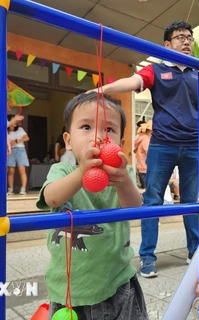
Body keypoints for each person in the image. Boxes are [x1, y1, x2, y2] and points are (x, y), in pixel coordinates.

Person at [92, 20, 199, 278]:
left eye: (189, 37)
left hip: (194, 147)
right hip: (162, 145)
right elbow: (131, 82)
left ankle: (194, 251)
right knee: (152, 201)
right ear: (167, 44)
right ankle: (148, 257)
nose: (186, 41)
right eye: (180, 37)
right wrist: (102, 90)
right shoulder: (156, 70)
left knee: (193, 202)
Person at [36, 92, 147, 320]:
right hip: (73, 292)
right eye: (86, 127)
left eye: (109, 130)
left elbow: (135, 208)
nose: (98, 137)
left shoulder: (121, 175)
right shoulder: (63, 171)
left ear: (121, 143)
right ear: (68, 141)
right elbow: (52, 198)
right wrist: (82, 172)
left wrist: (125, 182)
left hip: (120, 283)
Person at [7, 114, 30, 195]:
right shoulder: (5, 131)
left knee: (22, 170)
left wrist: (17, 141)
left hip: (20, 150)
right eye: (13, 120)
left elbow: (27, 138)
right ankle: (10, 189)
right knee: (11, 170)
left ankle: (23, 189)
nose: (15, 122)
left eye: (16, 120)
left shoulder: (20, 129)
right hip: (10, 150)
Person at [134, 120, 152, 190]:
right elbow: (149, 152)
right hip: (146, 167)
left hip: (141, 166)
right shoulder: (146, 139)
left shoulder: (140, 138)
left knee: (144, 188)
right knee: (148, 189)